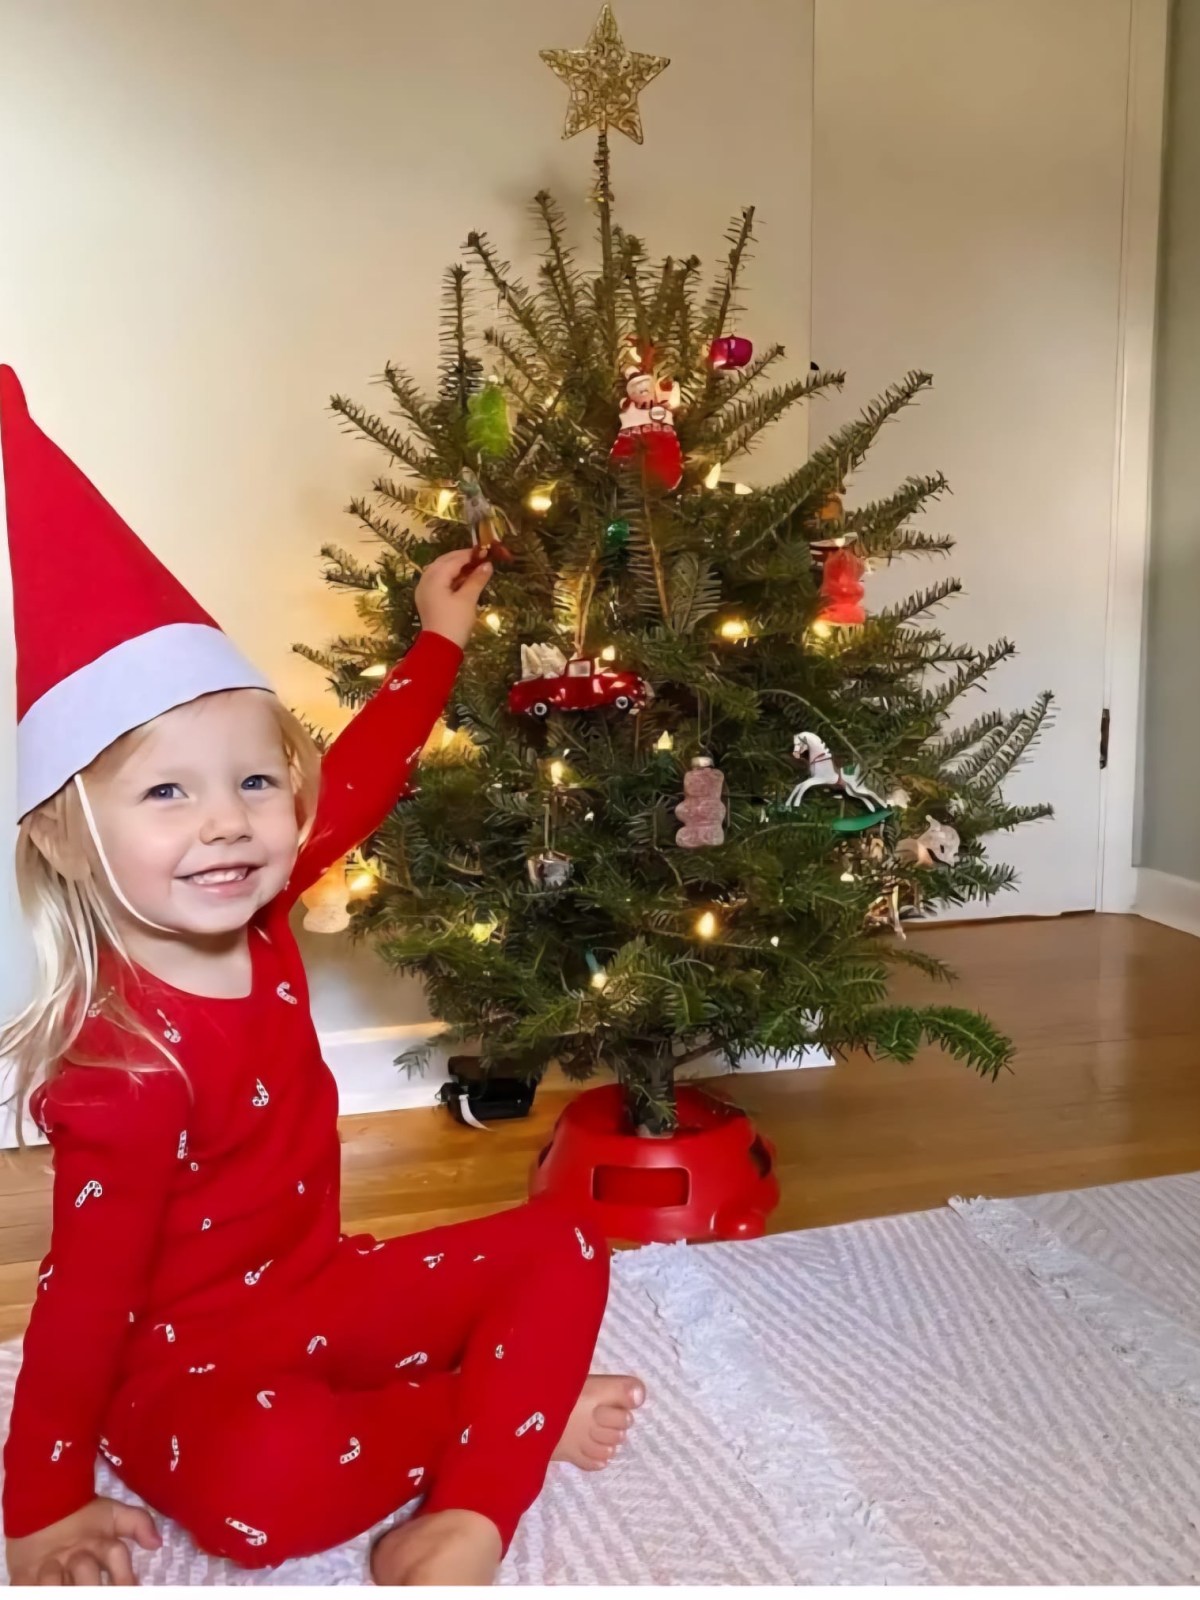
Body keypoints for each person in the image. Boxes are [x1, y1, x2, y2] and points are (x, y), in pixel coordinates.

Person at [0, 367, 644, 1586]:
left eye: (252, 782)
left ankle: (474, 1507)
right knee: (268, 1494)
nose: (229, 824)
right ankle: (508, 1420)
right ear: (63, 834)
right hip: (183, 1374)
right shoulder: (123, 1070)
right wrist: (38, 1506)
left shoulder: (266, 907)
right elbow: (80, 1312)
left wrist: (437, 643)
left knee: (563, 1241)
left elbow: (357, 778)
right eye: (167, 793)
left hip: (315, 1288)